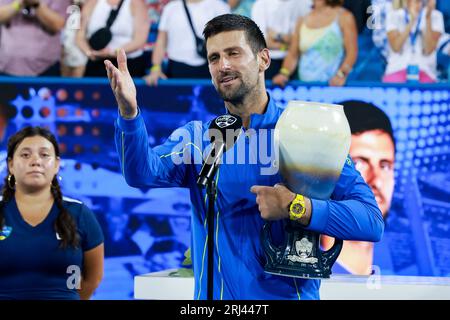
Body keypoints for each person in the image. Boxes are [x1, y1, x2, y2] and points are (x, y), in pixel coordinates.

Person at [105, 14, 383, 300]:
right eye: (214, 58)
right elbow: (141, 173)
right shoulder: (198, 139)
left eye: (233, 53)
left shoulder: (309, 132)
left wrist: (296, 206)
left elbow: (371, 221)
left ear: (263, 59)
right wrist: (129, 114)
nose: (222, 66)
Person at [0, 126, 104, 299]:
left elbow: (92, 279)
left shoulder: (79, 214)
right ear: (10, 164)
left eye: (44, 154)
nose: (35, 161)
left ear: (56, 164)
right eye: (25, 155)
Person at [321, 100, 395, 275]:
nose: (376, 180)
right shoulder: (301, 279)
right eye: (359, 163)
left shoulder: (408, 277)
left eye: (384, 165)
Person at [272, 0, 358, 87]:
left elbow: (352, 52)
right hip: (306, 88)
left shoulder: (345, 17)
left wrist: (341, 74)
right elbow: (293, 54)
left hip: (332, 87)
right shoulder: (302, 20)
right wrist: (284, 73)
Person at [143, 0, 229, 85]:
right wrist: (155, 68)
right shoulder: (171, 8)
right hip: (176, 68)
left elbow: (228, 41)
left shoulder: (219, 6)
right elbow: (161, 41)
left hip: (210, 67)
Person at [76, 0, 150, 77]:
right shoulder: (91, 3)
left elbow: (140, 39)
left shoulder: (137, 4)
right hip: (96, 64)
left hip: (128, 65)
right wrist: (89, 53)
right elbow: (79, 36)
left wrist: (114, 52)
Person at [0, 0, 71, 76]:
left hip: (46, 68)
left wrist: (36, 5)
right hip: (6, 66)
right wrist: (18, 4)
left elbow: (59, 25)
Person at [383, 0, 444, 83]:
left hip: (425, 69)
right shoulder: (393, 15)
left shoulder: (436, 15)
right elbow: (396, 47)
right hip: (397, 68)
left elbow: (429, 50)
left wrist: (428, 18)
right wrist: (412, 21)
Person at [251, 0, 311, 79]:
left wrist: (277, 35)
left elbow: (305, 40)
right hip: (268, 62)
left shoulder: (305, 3)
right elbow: (260, 42)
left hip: (297, 62)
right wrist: (292, 44)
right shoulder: (261, 4)